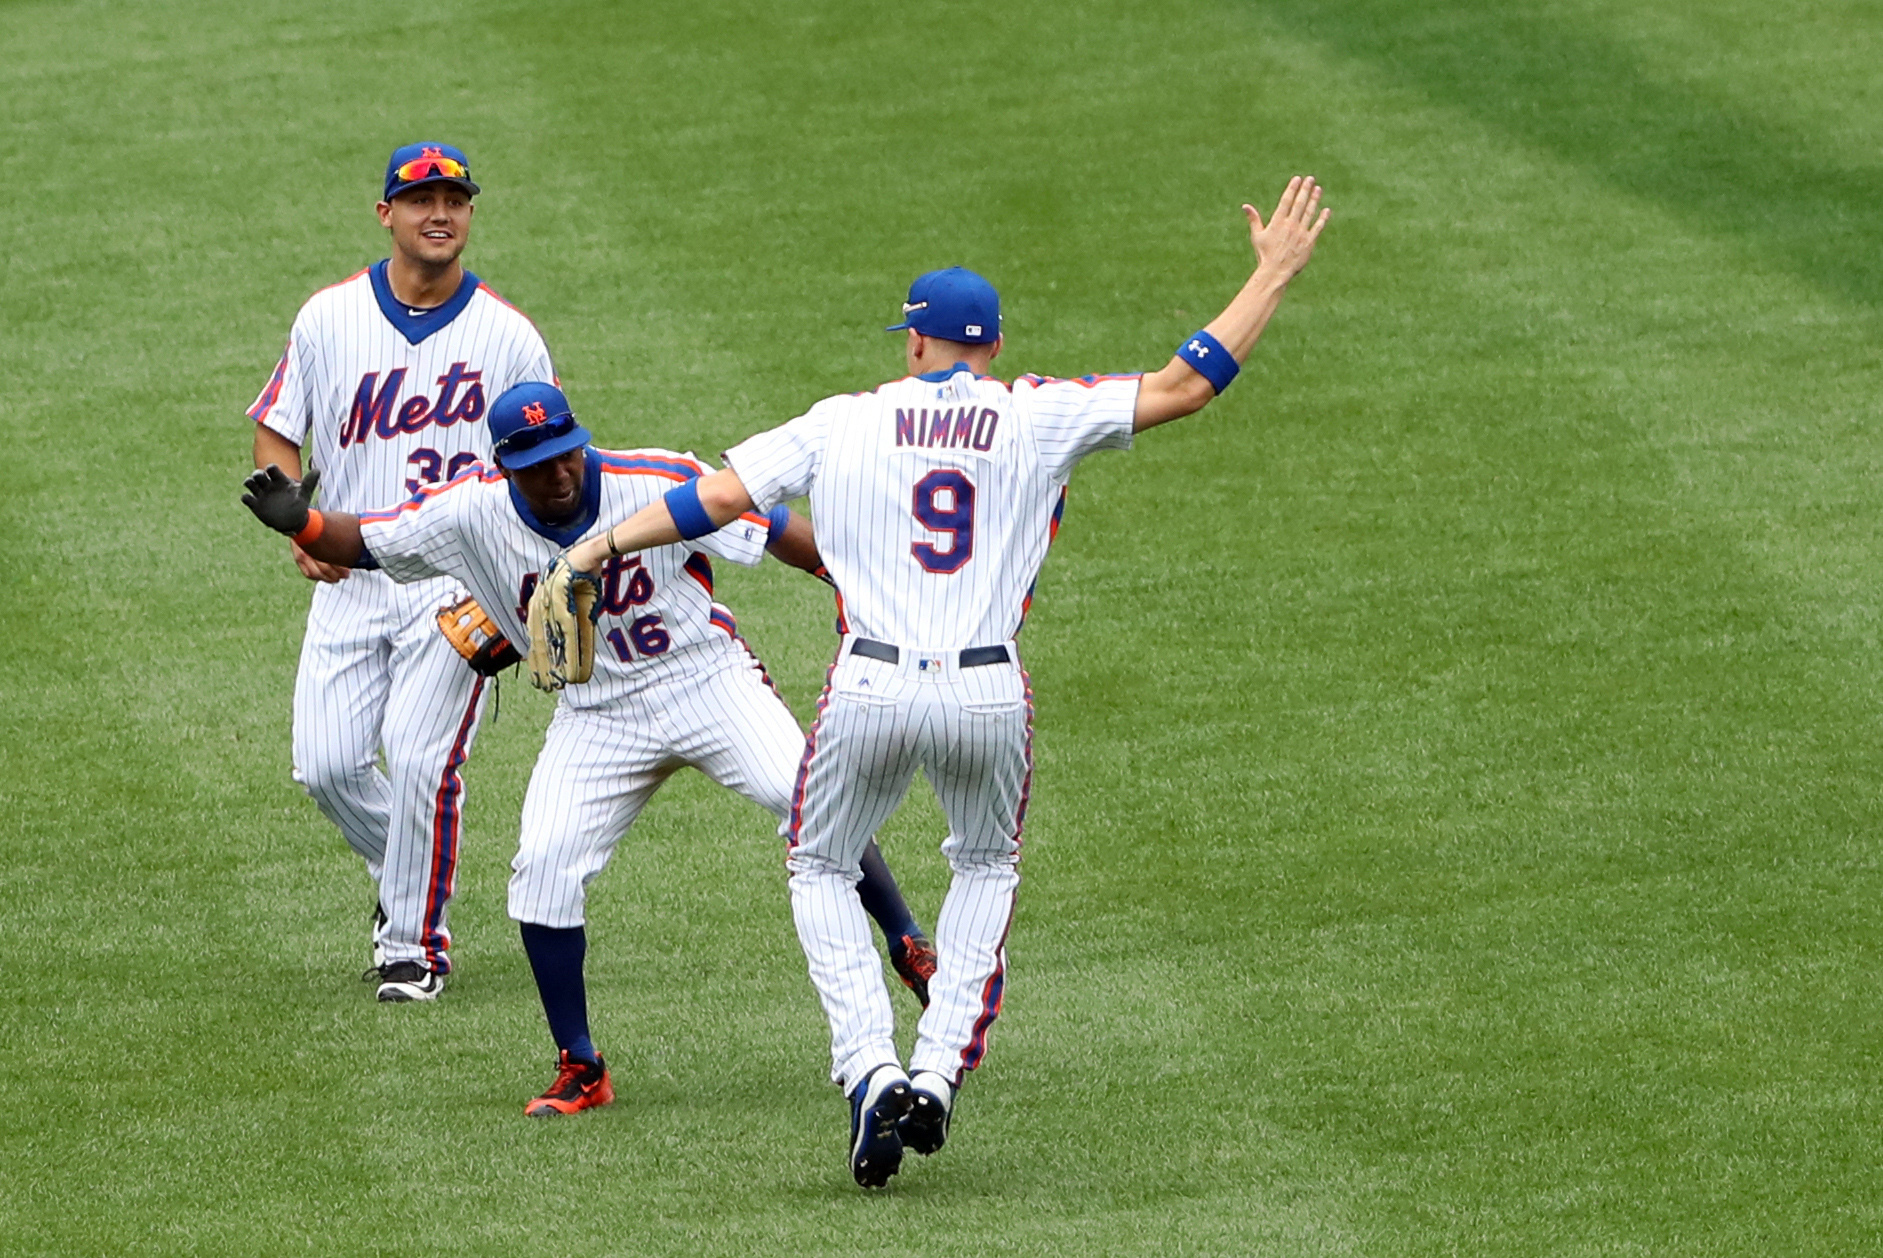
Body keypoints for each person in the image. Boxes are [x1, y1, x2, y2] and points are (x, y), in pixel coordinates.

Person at [537, 177, 1330, 1184]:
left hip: (866, 688)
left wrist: (594, 547)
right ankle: (937, 1073)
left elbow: (708, 500)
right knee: (983, 867)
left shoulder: (840, 421)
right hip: (987, 694)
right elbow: (1186, 382)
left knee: (820, 866)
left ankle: (869, 1070)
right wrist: (1269, 274)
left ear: (912, 344)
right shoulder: (1034, 413)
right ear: (989, 346)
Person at [242, 381, 936, 1116]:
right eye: (537, 465)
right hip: (596, 711)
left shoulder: (653, 477)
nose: (559, 473)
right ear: (505, 467)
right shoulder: (468, 512)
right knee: (541, 869)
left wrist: (856, 585)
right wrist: (305, 524)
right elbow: (371, 541)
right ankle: (580, 1064)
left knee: (806, 796)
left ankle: (907, 942)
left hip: (704, 677)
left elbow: (766, 525)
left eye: (565, 454)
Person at [247, 143, 556, 1001]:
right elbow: (279, 429)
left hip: (457, 585)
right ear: (386, 213)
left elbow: (551, 460)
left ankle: (412, 947)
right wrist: (297, 526)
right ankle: (416, 873)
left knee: (422, 760)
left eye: (455, 199)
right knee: (327, 766)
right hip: (353, 575)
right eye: (421, 199)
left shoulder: (507, 335)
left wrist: (525, 580)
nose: (440, 213)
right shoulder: (328, 318)